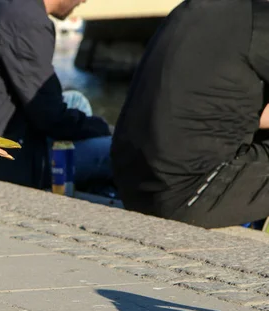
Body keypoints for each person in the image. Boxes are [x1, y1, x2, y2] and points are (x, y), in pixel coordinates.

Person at [111, 0, 269, 229]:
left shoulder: (193, 9)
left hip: (134, 189)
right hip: (187, 194)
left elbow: (221, 109)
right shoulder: (259, 22)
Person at [0, 0, 112, 190]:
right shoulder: (27, 21)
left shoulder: (7, 5)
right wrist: (108, 130)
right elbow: (51, 118)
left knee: (77, 100)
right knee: (118, 151)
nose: (84, 0)